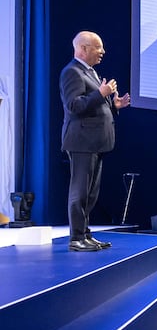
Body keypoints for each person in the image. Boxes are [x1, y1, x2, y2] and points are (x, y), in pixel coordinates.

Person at [60, 31, 130, 252]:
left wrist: (113, 105)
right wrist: (101, 93)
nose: (103, 52)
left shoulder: (89, 72)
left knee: (91, 194)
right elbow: (74, 106)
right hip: (82, 142)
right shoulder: (72, 72)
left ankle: (85, 234)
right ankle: (76, 239)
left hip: (95, 142)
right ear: (83, 48)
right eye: (98, 48)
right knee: (79, 192)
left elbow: (93, 106)